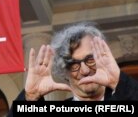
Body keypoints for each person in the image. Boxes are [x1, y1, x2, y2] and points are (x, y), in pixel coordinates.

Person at [7, 22, 138, 116]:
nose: (85, 70)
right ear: (64, 72)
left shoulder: (126, 97)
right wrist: (30, 98)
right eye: (74, 64)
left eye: (90, 59)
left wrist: (119, 82)